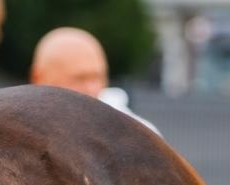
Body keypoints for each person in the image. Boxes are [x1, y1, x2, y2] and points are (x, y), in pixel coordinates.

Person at [29, 26, 159, 133]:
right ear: (38, 77)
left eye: (98, 77)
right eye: (79, 78)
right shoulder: (19, 133)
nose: (92, 89)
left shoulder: (139, 137)